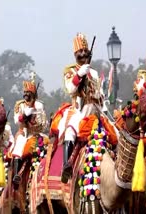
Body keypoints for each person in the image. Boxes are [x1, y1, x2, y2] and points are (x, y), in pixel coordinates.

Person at [60, 32, 105, 182]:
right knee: (70, 132)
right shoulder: (70, 71)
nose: (83, 53)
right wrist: (79, 75)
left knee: (115, 134)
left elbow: (100, 93)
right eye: (80, 52)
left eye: (86, 51)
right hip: (79, 110)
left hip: (97, 111)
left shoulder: (94, 72)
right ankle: (67, 166)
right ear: (75, 54)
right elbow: (71, 89)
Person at [10, 72, 47, 184]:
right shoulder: (20, 105)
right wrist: (25, 115)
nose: (26, 94)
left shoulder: (39, 106)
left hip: (36, 134)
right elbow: (17, 120)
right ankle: (17, 175)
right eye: (25, 92)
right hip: (23, 133)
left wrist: (35, 120)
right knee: (19, 146)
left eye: (28, 92)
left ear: (33, 94)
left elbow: (44, 124)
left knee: (46, 145)